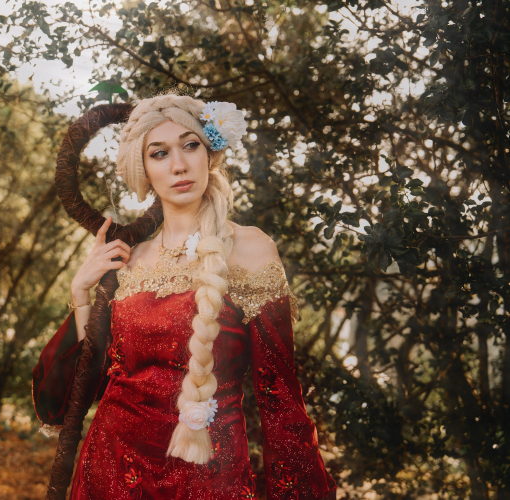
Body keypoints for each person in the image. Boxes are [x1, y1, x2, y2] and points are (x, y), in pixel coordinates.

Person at [32, 94, 337, 499]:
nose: (178, 165)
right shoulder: (128, 260)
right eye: (159, 153)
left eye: (190, 145)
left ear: (209, 153)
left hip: (210, 479)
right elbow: (79, 391)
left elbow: (278, 395)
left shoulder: (252, 250)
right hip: (109, 470)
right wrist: (81, 292)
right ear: (143, 170)